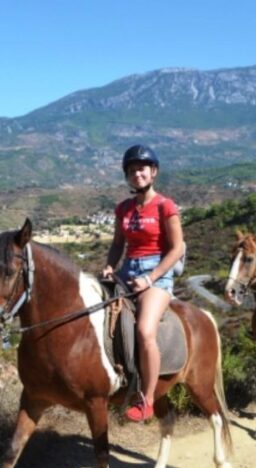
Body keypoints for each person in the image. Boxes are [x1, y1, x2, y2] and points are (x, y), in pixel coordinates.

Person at [101, 144, 185, 422]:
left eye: (142, 169)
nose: (137, 174)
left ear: (153, 172)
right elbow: (117, 244)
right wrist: (110, 266)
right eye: (132, 170)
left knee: (145, 330)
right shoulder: (123, 208)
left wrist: (151, 278)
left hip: (157, 274)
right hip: (128, 271)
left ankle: (147, 398)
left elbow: (177, 249)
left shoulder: (165, 206)